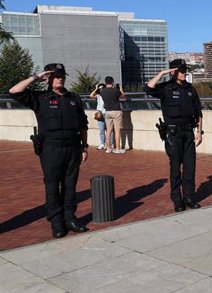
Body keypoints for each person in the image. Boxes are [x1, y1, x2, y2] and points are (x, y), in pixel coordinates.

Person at [9, 63, 89, 238]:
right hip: (51, 148)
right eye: (56, 75)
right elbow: (14, 91)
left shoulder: (74, 98)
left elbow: (83, 124)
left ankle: (70, 218)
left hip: (73, 147)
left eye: (62, 75)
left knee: (70, 185)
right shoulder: (40, 98)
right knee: (52, 185)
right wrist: (37, 76)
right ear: (48, 78)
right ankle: (56, 222)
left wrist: (84, 146)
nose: (60, 78)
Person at [145, 59, 203, 212]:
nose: (185, 73)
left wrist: (199, 132)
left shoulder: (190, 88)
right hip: (173, 134)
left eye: (185, 70)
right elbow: (148, 89)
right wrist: (162, 73)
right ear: (174, 72)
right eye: (181, 70)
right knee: (175, 169)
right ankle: (177, 200)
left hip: (189, 133)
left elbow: (198, 112)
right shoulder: (166, 88)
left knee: (190, 168)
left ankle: (189, 197)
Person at [100, 76, 126, 154]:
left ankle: (108, 148)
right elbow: (123, 96)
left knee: (108, 131)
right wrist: (121, 89)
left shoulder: (102, 91)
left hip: (107, 112)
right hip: (116, 111)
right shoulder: (115, 90)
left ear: (105, 82)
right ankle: (117, 149)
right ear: (112, 82)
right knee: (117, 131)